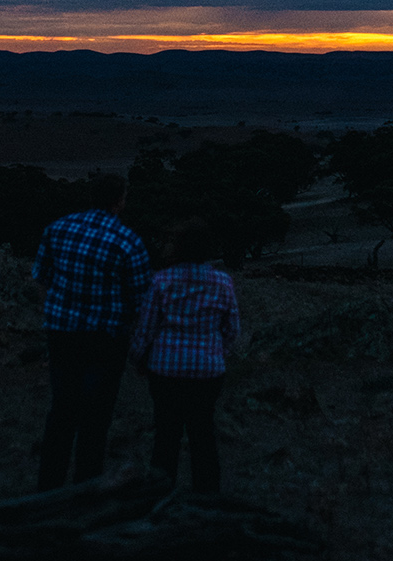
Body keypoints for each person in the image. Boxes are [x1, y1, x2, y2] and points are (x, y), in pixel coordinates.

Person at [32, 173, 151, 490]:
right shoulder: (128, 242)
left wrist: (55, 312)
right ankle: (86, 489)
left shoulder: (57, 229)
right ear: (120, 200)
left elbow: (41, 278)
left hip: (61, 332)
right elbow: (141, 301)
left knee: (61, 410)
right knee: (96, 418)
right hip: (105, 339)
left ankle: (48, 488)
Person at [129, 218, 240, 494]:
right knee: (203, 434)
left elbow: (146, 328)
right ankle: (207, 500)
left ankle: (158, 499)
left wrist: (139, 358)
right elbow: (232, 330)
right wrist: (216, 353)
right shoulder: (223, 282)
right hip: (207, 371)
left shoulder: (162, 281)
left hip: (166, 370)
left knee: (166, 436)